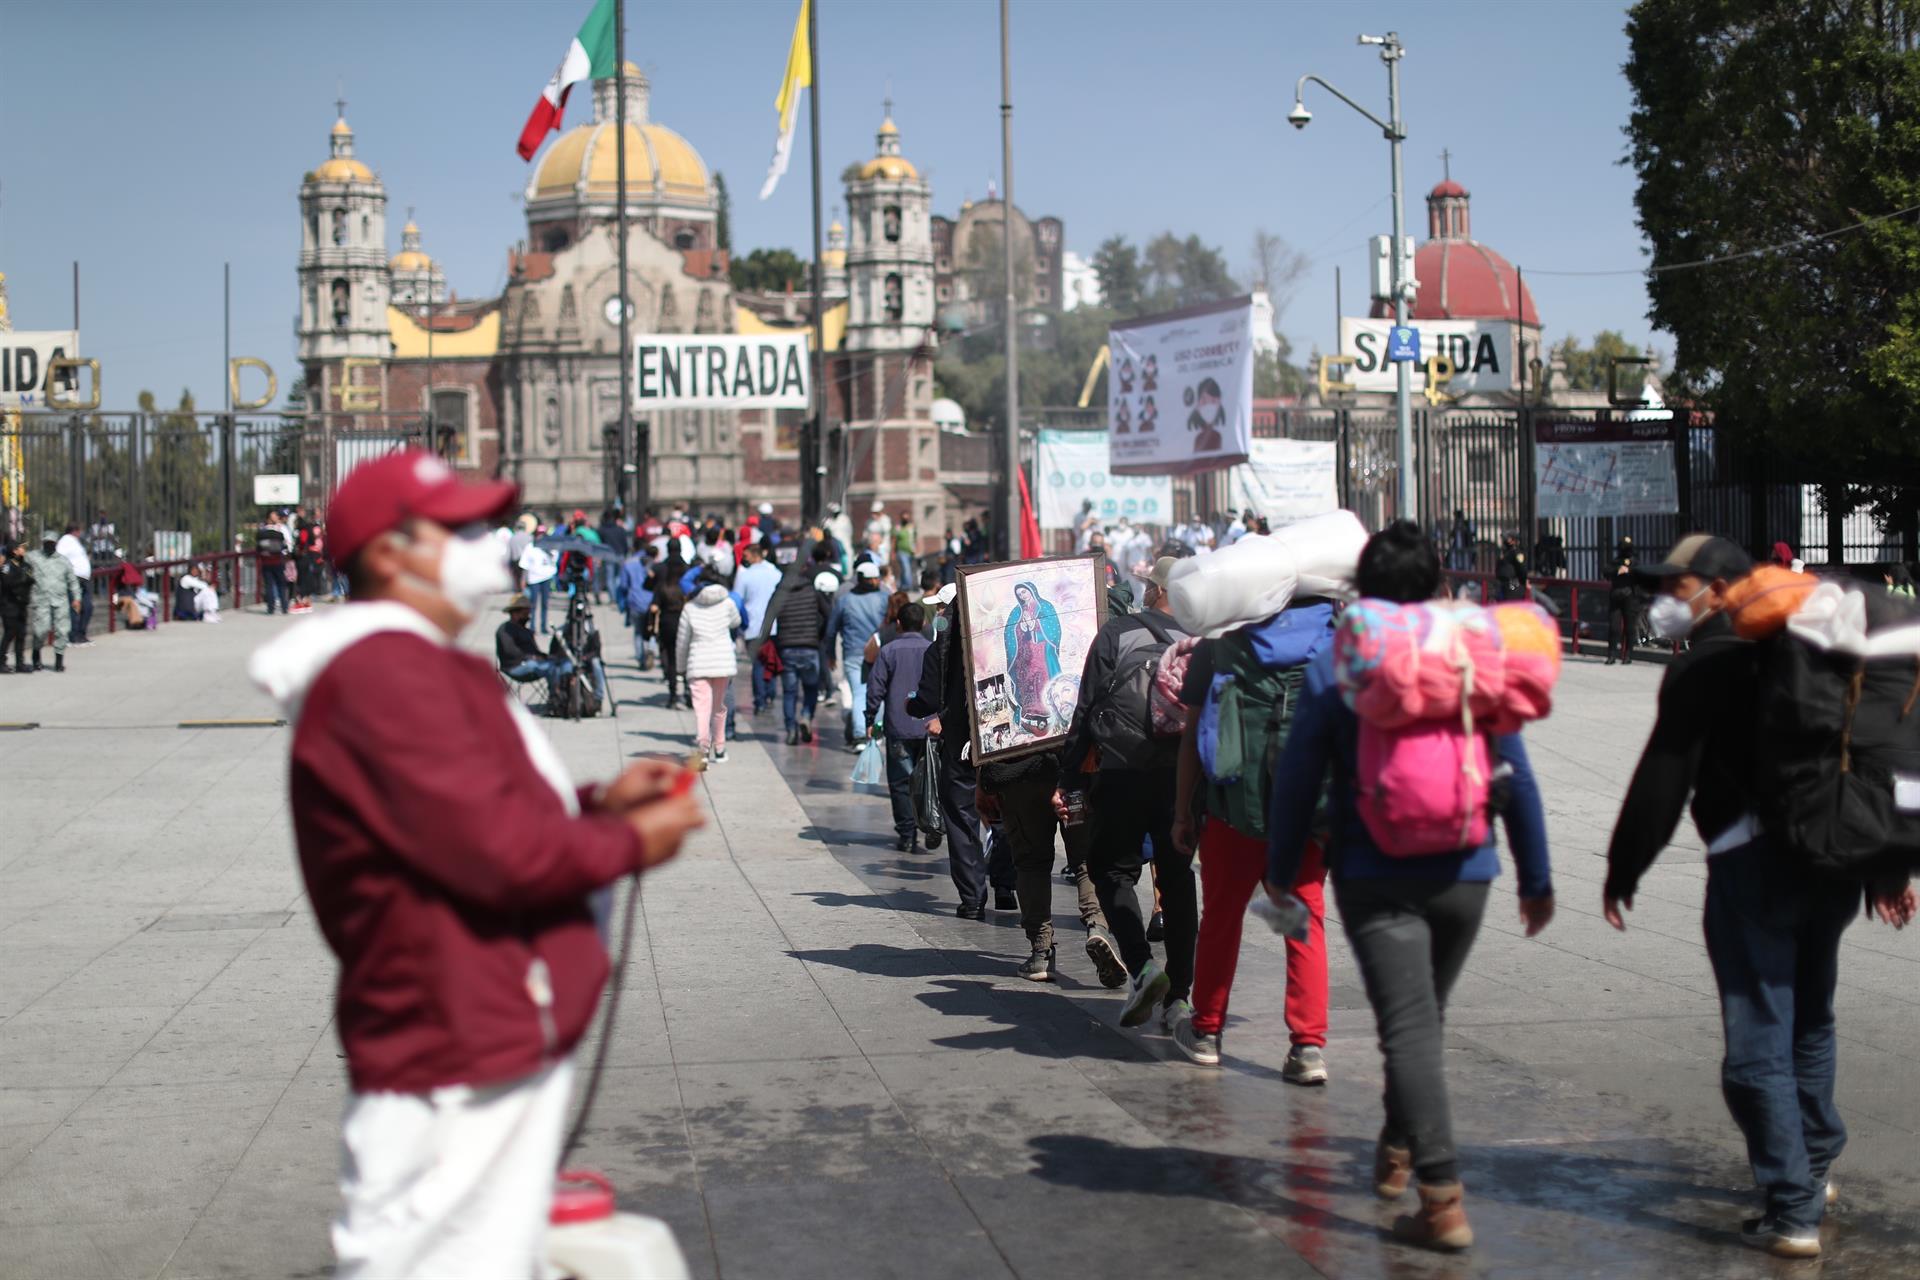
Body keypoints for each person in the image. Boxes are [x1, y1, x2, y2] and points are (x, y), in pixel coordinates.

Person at [247, 450, 704, 1278]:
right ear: (389, 554)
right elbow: (495, 853)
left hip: (481, 1031)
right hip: (449, 1048)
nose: (482, 542)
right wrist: (632, 842)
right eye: (456, 527)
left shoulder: (415, 664)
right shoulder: (383, 675)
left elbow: (464, 816)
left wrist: (596, 805)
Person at [1602, 533, 1915, 1260]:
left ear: (1718, 589)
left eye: (1673, 589)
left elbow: (1663, 779)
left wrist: (1623, 869)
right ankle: (1815, 1166)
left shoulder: (1707, 668)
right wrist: (1883, 870)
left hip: (1750, 868)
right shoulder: (1817, 655)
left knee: (1757, 1040)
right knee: (1811, 1020)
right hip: (1830, 865)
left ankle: (1791, 1204)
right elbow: (1856, 754)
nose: (1661, 602)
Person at [1266, 520, 1554, 1252]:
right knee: (1421, 1022)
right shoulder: (1468, 649)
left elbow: (1300, 773)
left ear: (1364, 588)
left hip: (1375, 869)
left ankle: (1443, 1198)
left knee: (1411, 1029)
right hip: (1468, 867)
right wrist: (1537, 875)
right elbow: (1513, 766)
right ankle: (1398, 1140)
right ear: (1437, 583)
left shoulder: (1345, 656)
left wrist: (1279, 871)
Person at [1169, 563, 1337, 1082]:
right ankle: (1307, 1046)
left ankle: (1207, 1030)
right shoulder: (1331, 638)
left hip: (1231, 810)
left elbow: (1193, 734)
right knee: (1300, 922)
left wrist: (1182, 812)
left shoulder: (1222, 639)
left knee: (1222, 917)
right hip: (1305, 817)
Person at [1055, 556, 1194, 1000]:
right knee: (1176, 875)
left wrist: (1070, 776)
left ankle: (1141, 963)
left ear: (1156, 591)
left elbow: (1086, 707)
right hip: (1182, 774)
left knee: (1109, 870)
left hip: (1122, 769)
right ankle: (1182, 987)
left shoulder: (1118, 632)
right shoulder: (1200, 639)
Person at [911, 601, 1019, 919]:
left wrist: (911, 707)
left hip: (961, 742)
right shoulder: (1002, 642)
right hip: (1005, 739)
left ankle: (972, 898)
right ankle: (1005, 884)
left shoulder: (940, 649)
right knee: (1009, 810)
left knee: (961, 815)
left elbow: (927, 700)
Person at [866, 601, 936, 852]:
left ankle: (907, 834)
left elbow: (875, 688)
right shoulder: (932, 649)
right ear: (924, 624)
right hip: (931, 727)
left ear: (898, 624)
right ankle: (931, 825)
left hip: (899, 727)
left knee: (900, 783)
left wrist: (870, 718)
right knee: (931, 779)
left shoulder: (889, 651)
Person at [677, 567, 742, 763]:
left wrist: (680, 667)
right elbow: (736, 622)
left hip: (698, 661)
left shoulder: (690, 607)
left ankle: (703, 750)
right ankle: (720, 748)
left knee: (701, 708)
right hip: (722, 660)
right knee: (719, 707)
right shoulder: (728, 602)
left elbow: (683, 640)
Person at [762, 558, 830, 745]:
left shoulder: (779, 594)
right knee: (811, 688)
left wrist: (768, 642)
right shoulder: (812, 591)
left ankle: (791, 729)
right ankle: (806, 716)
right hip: (810, 647)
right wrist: (819, 634)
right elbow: (829, 614)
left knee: (789, 692)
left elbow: (767, 621)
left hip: (786, 649)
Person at [826, 561, 890, 750]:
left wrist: (830, 654)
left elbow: (831, 630)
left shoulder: (845, 600)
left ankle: (860, 736)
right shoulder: (885, 598)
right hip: (879, 652)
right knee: (881, 693)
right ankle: (876, 733)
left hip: (853, 653)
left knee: (859, 693)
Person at [496, 595, 573, 709]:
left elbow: (535, 651)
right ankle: (555, 700)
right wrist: (531, 657)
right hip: (515, 666)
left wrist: (545, 656)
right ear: (515, 613)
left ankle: (566, 697)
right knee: (550, 668)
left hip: (532, 663)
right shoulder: (505, 630)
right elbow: (510, 652)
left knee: (563, 663)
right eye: (525, 613)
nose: (528, 616)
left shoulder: (526, 631)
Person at [734, 542, 783, 713]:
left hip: (753, 625)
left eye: (746, 556)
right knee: (771, 659)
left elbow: (737, 600)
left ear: (754, 556)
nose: (744, 559)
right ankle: (769, 693)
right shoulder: (775, 573)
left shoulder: (744, 576)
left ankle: (760, 700)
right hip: (774, 625)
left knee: (758, 664)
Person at [26, 531, 80, 673]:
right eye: (46, 543)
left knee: (62, 631)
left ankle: (59, 661)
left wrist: (76, 598)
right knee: (40, 630)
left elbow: (73, 581)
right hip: (41, 600)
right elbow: (18, 557)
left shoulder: (64, 561)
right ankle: (36, 655)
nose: (48, 545)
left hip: (60, 600)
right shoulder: (34, 557)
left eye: (51, 543)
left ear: (55, 544)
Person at [649, 542, 691, 709]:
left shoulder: (663, 584)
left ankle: (673, 694)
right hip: (685, 619)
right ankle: (688, 691)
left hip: (667, 621)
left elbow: (654, 604)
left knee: (671, 658)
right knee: (687, 658)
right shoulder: (686, 581)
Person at [55, 524, 93, 646]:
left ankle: (81, 634)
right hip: (74, 579)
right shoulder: (65, 541)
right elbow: (59, 557)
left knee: (87, 607)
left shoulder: (76, 543)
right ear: (75, 531)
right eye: (79, 531)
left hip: (83, 579)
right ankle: (73, 635)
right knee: (75, 607)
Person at [1607, 536, 1641, 665]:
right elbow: (1605, 571)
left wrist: (1629, 571)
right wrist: (1617, 570)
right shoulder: (1616, 562)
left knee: (1630, 628)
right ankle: (1611, 654)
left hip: (1630, 597)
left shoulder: (1635, 562)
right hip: (1616, 596)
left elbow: (1641, 575)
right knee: (1614, 627)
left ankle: (1628, 655)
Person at [518, 531, 558, 633]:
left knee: (545, 604)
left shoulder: (549, 547)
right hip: (534, 579)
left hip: (546, 578)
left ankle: (543, 626)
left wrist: (549, 551)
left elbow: (555, 559)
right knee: (533, 604)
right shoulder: (530, 547)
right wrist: (523, 580)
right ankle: (532, 626)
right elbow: (524, 565)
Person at [0, 540, 31, 673]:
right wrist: (22, 581)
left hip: (22, 605)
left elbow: (30, 579)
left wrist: (26, 580)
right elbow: (7, 583)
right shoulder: (7, 566)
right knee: (9, 633)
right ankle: (1, 662)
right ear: (14, 550)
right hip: (9, 605)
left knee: (21, 634)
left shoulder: (25, 565)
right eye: (21, 548)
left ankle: (20, 663)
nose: (23, 550)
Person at [257, 513, 293, 615]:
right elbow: (284, 547)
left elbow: (258, 548)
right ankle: (284, 607)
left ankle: (270, 608)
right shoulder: (279, 534)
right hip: (278, 561)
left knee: (269, 585)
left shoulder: (261, 534)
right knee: (281, 584)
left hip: (266, 562)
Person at [1493, 533, 1528, 602]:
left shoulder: (1517, 552)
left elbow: (1521, 568)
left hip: (1513, 583)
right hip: (1503, 583)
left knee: (1512, 604)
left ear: (1514, 541)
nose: (1504, 541)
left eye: (1507, 539)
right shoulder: (1505, 552)